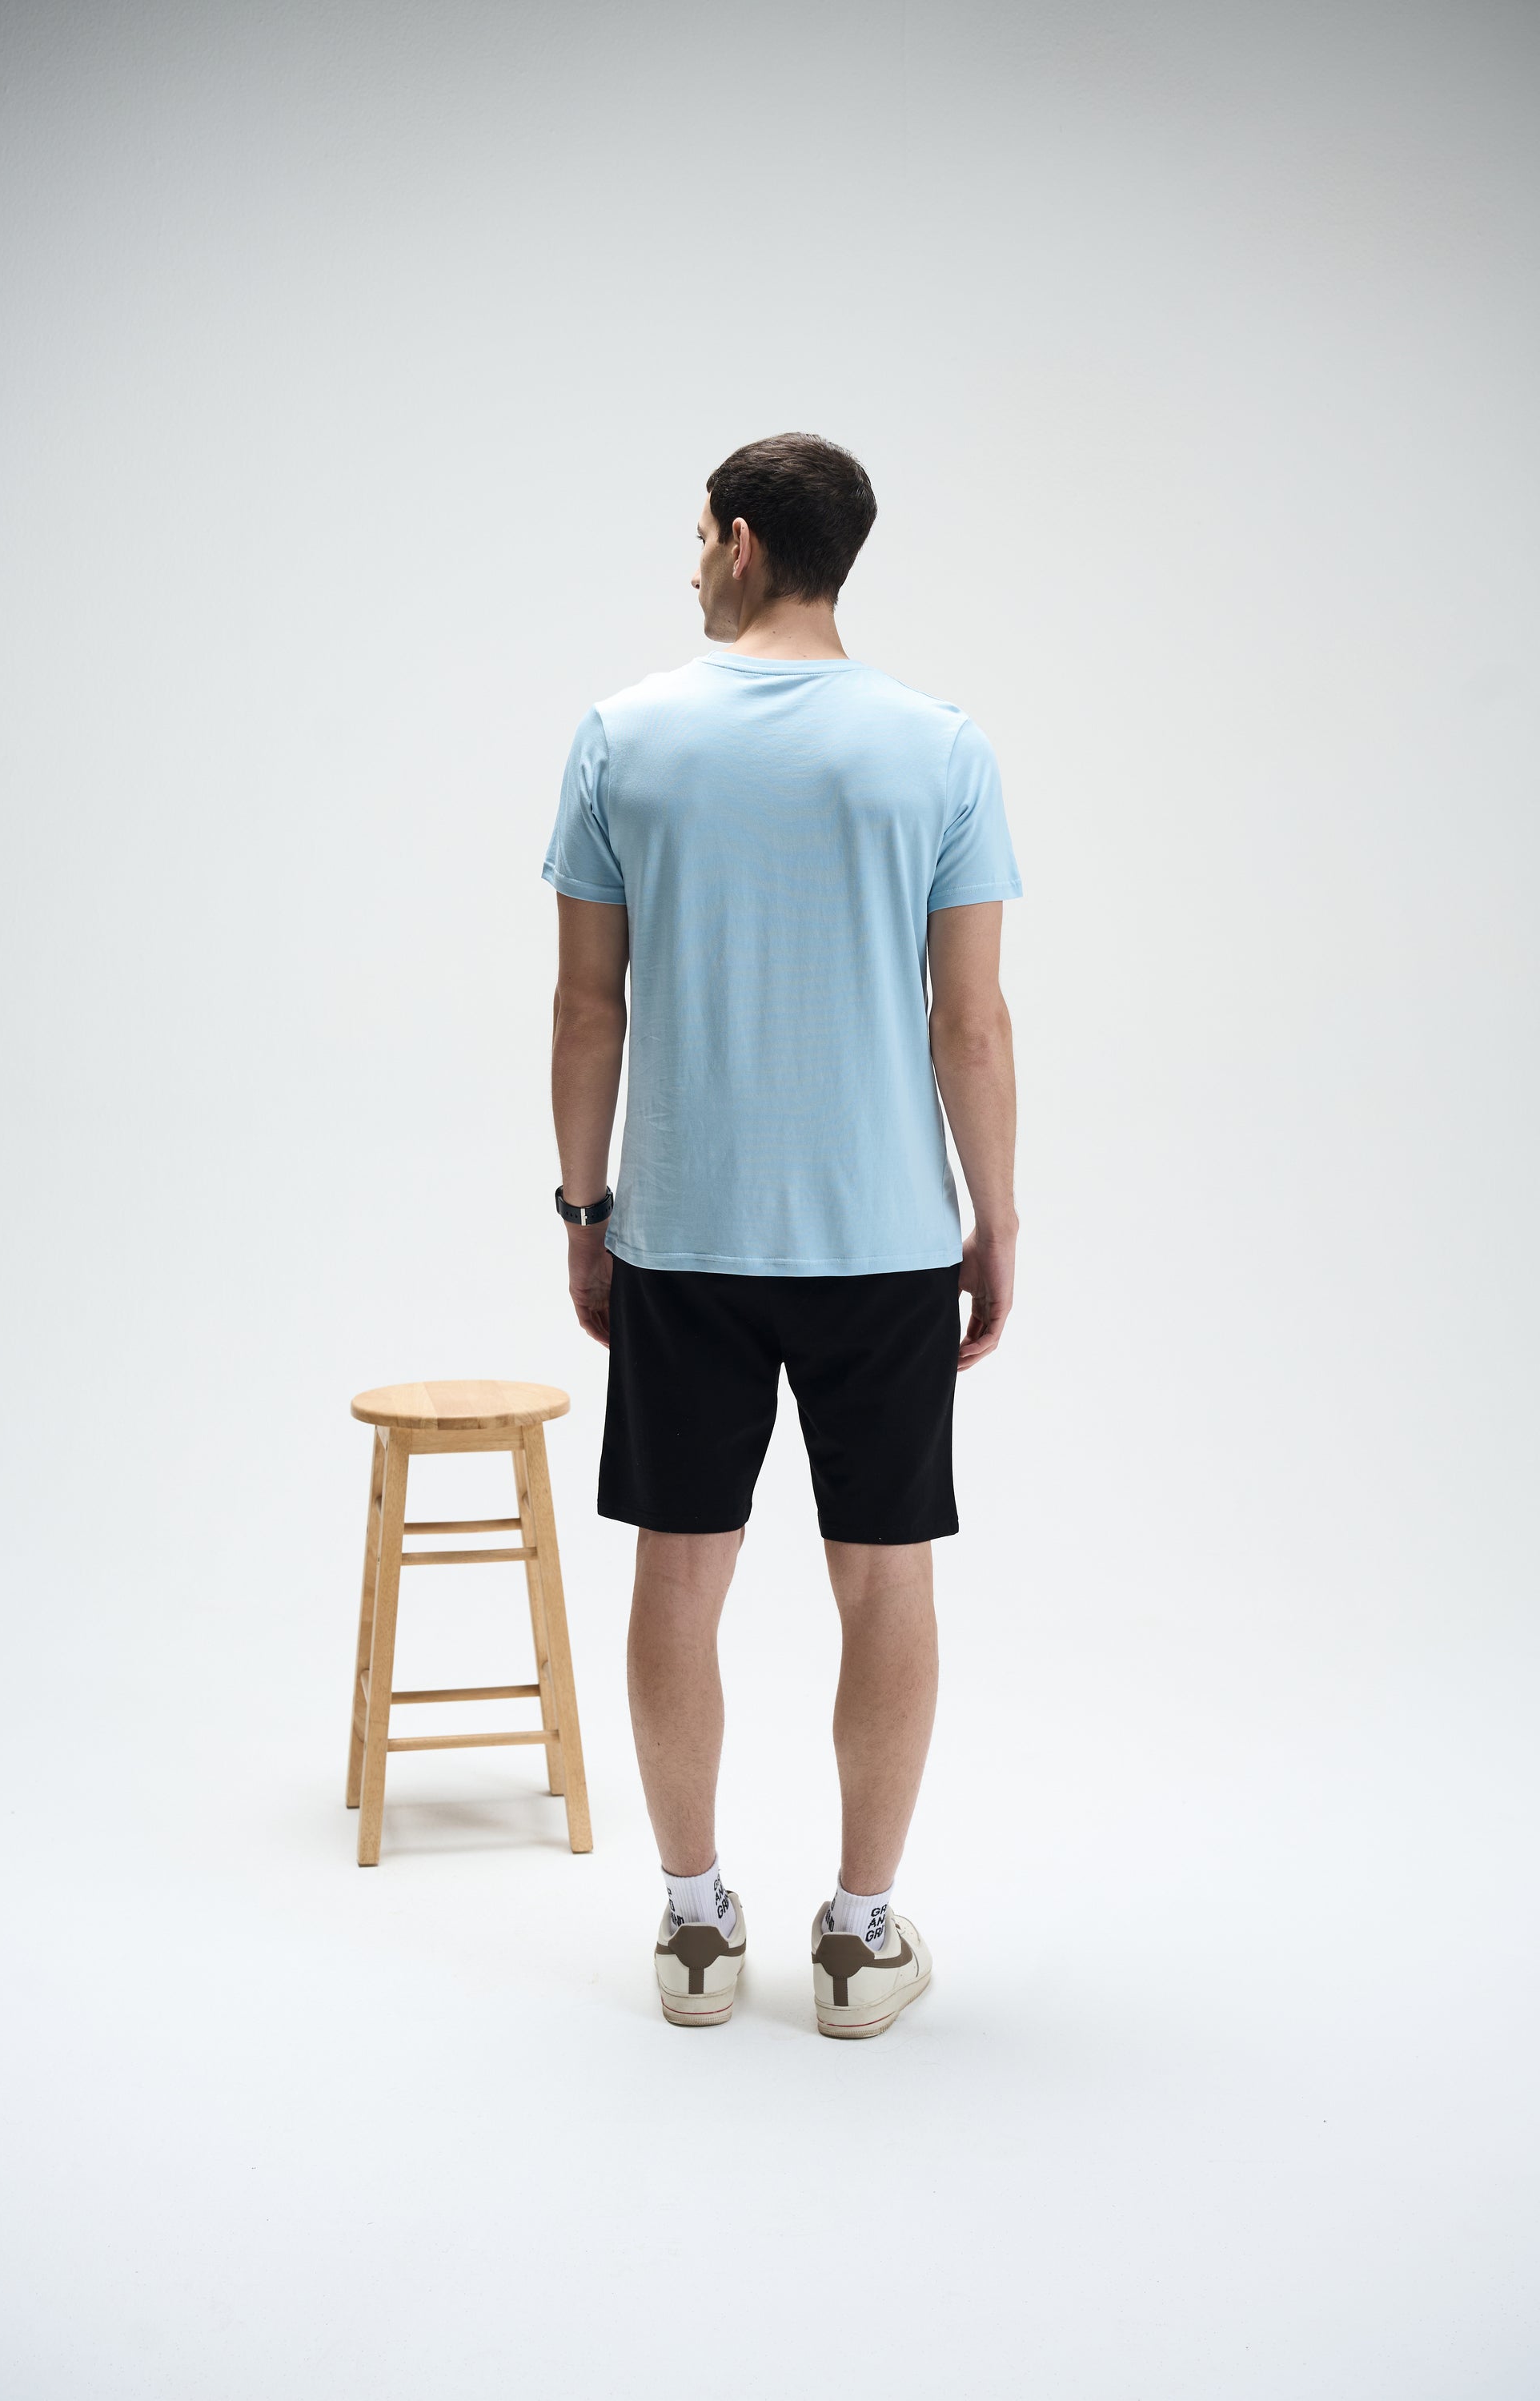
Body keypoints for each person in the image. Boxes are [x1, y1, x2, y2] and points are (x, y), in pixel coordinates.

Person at [541, 432, 1020, 2038]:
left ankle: (692, 1929)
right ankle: (859, 1942)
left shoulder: (623, 735)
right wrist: (993, 1219)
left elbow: (586, 1006)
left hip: (684, 1236)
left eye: (698, 536)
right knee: (883, 1584)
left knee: (680, 1578)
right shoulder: (939, 749)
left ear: (742, 543)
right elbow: (972, 1026)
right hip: (884, 1242)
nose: (691, 564)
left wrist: (586, 1210)